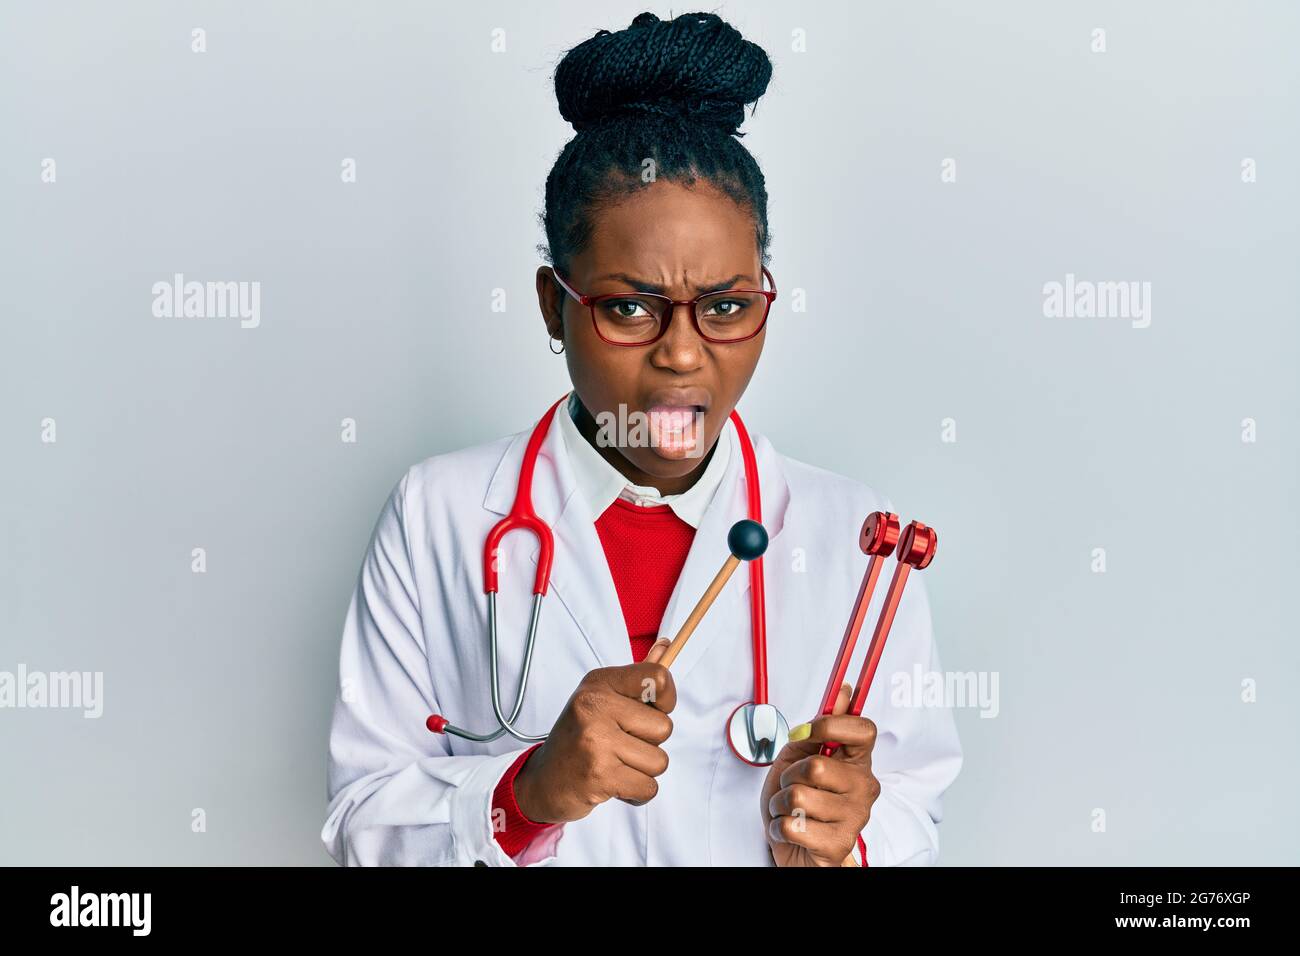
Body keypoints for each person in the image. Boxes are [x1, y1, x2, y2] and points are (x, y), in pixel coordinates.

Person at [321, 10, 961, 867]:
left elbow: (916, 815)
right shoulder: (437, 514)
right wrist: (526, 795)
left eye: (727, 306)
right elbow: (363, 824)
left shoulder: (861, 545)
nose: (684, 355)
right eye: (630, 307)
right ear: (556, 304)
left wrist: (850, 845)